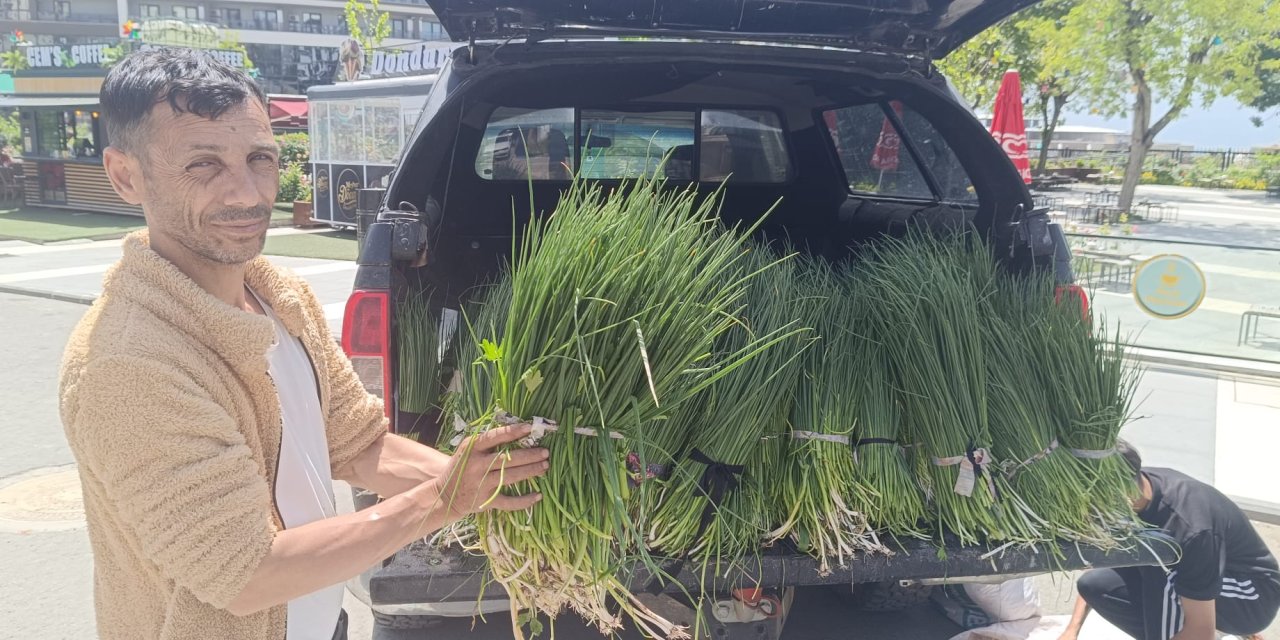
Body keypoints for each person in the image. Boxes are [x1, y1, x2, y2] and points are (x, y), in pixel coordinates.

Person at [59, 48, 549, 640]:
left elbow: (359, 445)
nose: (246, 193)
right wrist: (446, 499)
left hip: (317, 620)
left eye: (261, 159)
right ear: (124, 175)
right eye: (203, 165)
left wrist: (493, 479)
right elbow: (248, 575)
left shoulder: (280, 298)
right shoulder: (129, 365)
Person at [1059, 440, 1278, 640]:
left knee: (1163, 569)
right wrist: (1072, 629)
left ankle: (1216, 625)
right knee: (1094, 585)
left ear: (1122, 492)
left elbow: (1202, 633)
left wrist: (1200, 625)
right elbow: (1103, 562)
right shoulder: (1136, 489)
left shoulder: (1190, 528)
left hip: (1253, 596)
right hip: (1204, 574)